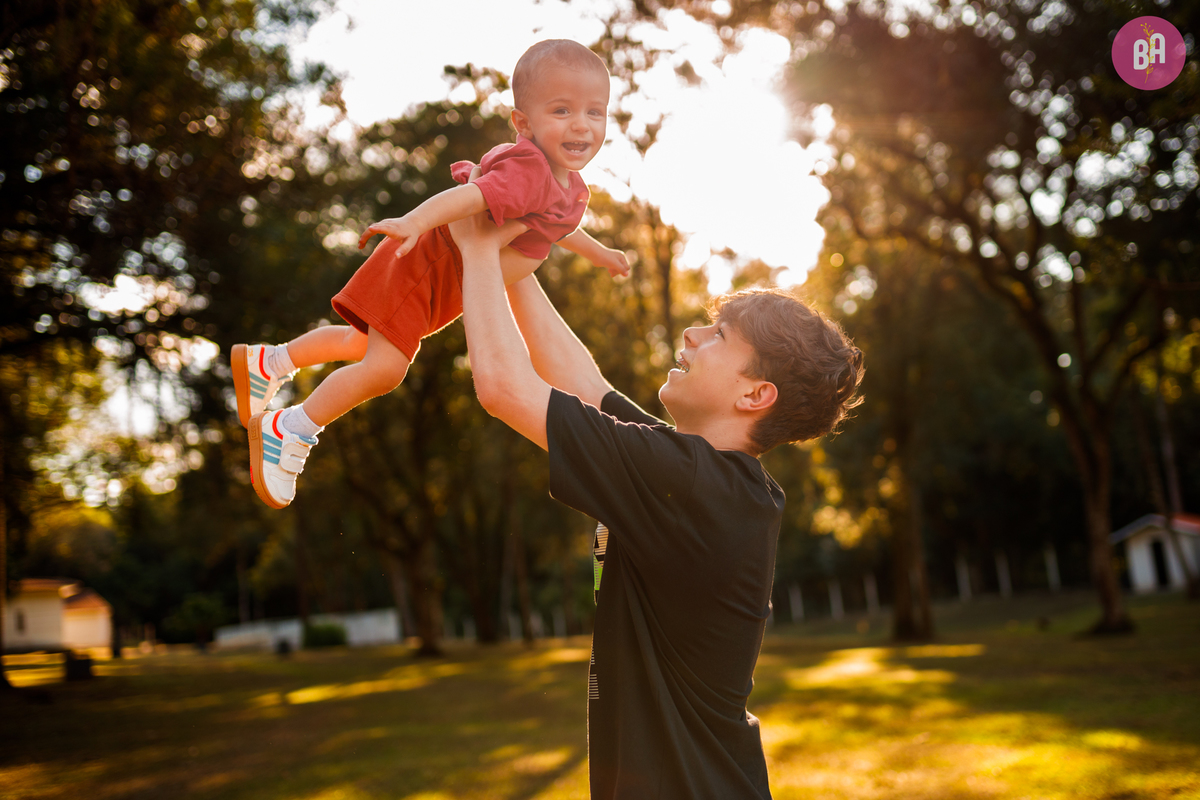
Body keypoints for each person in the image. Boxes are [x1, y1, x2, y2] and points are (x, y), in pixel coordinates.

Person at [449, 206, 864, 798]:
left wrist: (477, 249)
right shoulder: (702, 478)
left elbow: (504, 388)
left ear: (755, 394)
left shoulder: (693, 484)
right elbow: (581, 386)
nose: (693, 335)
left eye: (719, 335)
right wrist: (518, 240)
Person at [236, 39, 628, 509]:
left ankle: (270, 362)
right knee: (385, 369)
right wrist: (416, 222)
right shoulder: (531, 171)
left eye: (595, 112)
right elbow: (470, 199)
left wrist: (601, 252)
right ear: (523, 123)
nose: (581, 125)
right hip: (426, 266)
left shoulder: (567, 184)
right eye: (562, 111)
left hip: (441, 282)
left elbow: (560, 228)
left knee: (359, 345)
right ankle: (290, 428)